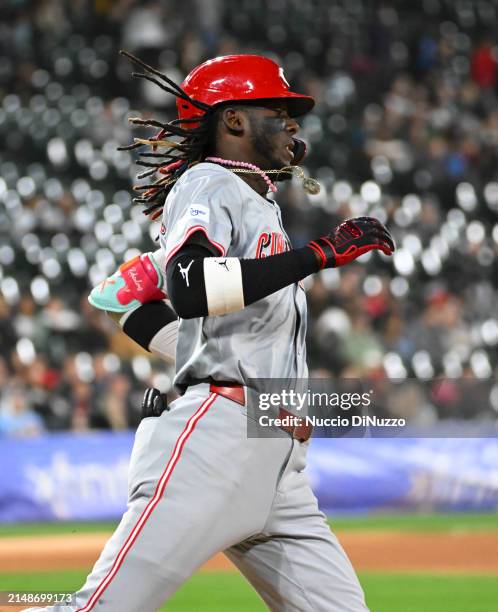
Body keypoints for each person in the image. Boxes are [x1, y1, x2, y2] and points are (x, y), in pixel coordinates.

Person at [26, 53, 394, 612]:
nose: (292, 121)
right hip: (217, 440)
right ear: (235, 121)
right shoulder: (209, 180)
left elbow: (121, 297)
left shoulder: (253, 200)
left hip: (276, 460)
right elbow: (193, 284)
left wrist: (182, 349)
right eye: (277, 108)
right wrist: (318, 254)